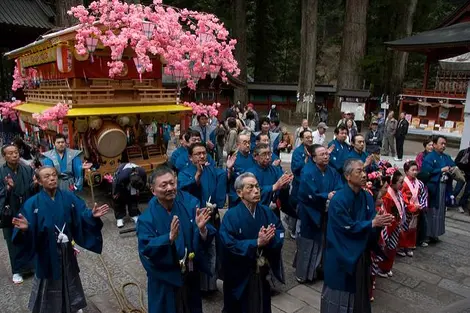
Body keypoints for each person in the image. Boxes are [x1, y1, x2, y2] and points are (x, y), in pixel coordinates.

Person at [12, 166, 109, 313]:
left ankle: (73, 305)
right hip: (46, 250)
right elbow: (24, 229)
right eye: (46, 177)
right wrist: (27, 229)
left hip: (66, 248)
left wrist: (91, 215)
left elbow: (81, 213)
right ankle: (47, 308)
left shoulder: (68, 196)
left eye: (53, 175)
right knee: (47, 280)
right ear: (38, 181)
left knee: (70, 276)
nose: (52, 178)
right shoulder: (32, 203)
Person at [137, 166, 216, 313]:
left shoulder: (189, 206)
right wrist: (168, 238)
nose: (169, 188)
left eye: (172, 183)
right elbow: (145, 249)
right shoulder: (146, 219)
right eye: (163, 185)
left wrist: (201, 229)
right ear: (153, 190)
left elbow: (204, 237)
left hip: (189, 275)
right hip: (165, 279)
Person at [322, 159, 393, 313]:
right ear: (348, 176)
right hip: (342, 252)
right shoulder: (338, 199)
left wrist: (378, 222)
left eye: (364, 170)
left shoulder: (366, 196)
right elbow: (345, 226)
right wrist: (372, 224)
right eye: (359, 171)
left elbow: (371, 218)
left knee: (360, 292)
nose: (364, 174)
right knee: (341, 292)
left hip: (360, 252)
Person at [220, 173, 285, 313]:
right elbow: (228, 244)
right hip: (240, 274)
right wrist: (256, 242)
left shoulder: (266, 211)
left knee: (262, 303)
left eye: (257, 186)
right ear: (239, 193)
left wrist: (271, 238)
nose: (256, 191)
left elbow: (280, 231)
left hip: (261, 271)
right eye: (250, 188)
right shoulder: (231, 216)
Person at [178, 142, 227, 292]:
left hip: (211, 215)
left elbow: (222, 177)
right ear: (190, 157)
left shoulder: (212, 170)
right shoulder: (184, 172)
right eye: (197, 154)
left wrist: (229, 170)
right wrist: (197, 176)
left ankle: (211, 283)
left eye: (203, 153)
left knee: (213, 248)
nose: (201, 156)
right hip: (194, 217)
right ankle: (199, 284)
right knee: (197, 248)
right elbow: (183, 190)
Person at [295, 144, 342, 284]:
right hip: (310, 211)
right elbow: (308, 193)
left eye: (327, 154)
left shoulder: (332, 171)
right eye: (322, 154)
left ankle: (317, 270)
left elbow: (339, 186)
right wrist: (326, 195)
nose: (326, 156)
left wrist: (334, 194)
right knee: (308, 242)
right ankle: (303, 273)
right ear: (313, 158)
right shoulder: (307, 171)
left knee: (323, 242)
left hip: (326, 211)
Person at [0, 144, 37, 284]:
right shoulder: (1, 172)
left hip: (26, 208)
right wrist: (7, 189)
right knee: (13, 241)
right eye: (10, 153)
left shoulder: (27, 168)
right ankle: (17, 270)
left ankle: (31, 267)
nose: (14, 155)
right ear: (4, 156)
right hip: (11, 211)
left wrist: (34, 184)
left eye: (16, 152)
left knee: (29, 237)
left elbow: (31, 188)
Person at [421, 135, 455, 242]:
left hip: (444, 186)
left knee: (440, 211)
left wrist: (452, 170)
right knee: (431, 211)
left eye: (445, 144)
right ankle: (427, 234)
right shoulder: (429, 157)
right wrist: (440, 170)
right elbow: (426, 172)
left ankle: (435, 233)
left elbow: (453, 166)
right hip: (434, 186)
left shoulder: (446, 157)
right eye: (441, 143)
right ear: (435, 144)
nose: (443, 146)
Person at [377, 170, 406, 278]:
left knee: (392, 248)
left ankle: (387, 267)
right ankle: (382, 267)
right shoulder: (388, 197)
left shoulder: (397, 193)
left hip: (394, 224)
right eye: (400, 182)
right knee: (387, 247)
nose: (402, 185)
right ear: (392, 183)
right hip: (389, 225)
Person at [247, 144, 292, 210]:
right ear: (255, 156)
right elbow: (252, 194)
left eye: (269, 154)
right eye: (264, 154)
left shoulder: (275, 170)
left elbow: (282, 187)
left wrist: (285, 185)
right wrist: (273, 187)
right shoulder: (250, 173)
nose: (268, 157)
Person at [398, 161, 428, 257]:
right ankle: (401, 247)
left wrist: (421, 205)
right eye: (412, 170)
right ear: (406, 172)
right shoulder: (403, 183)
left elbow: (423, 195)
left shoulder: (420, 183)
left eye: (416, 170)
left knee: (413, 229)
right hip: (406, 209)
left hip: (416, 208)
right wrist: (409, 206)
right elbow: (401, 196)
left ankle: (410, 246)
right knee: (404, 228)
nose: (415, 172)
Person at [289, 130, 314, 238]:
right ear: (302, 139)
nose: (310, 139)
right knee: (296, 209)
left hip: (311, 185)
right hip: (299, 184)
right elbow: (295, 168)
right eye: (307, 137)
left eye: (311, 137)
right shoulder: (298, 152)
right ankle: (292, 230)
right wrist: (305, 160)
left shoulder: (314, 150)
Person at [111, 162, 147, 228]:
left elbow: (144, 182)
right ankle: (119, 217)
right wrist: (116, 193)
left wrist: (139, 190)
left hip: (132, 178)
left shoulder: (142, 172)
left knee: (133, 197)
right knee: (118, 198)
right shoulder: (122, 176)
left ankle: (134, 214)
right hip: (119, 180)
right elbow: (116, 184)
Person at [227, 134, 256, 207]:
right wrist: (229, 169)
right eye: (245, 142)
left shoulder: (253, 158)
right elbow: (228, 178)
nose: (247, 145)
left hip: (250, 195)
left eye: (249, 142)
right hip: (237, 197)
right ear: (238, 144)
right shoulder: (233, 159)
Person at [455, 144, 470, 211]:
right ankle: (448, 203)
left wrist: (465, 165)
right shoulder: (463, 152)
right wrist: (465, 166)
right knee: (457, 189)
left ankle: (461, 205)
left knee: (467, 192)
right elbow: (456, 162)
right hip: (462, 174)